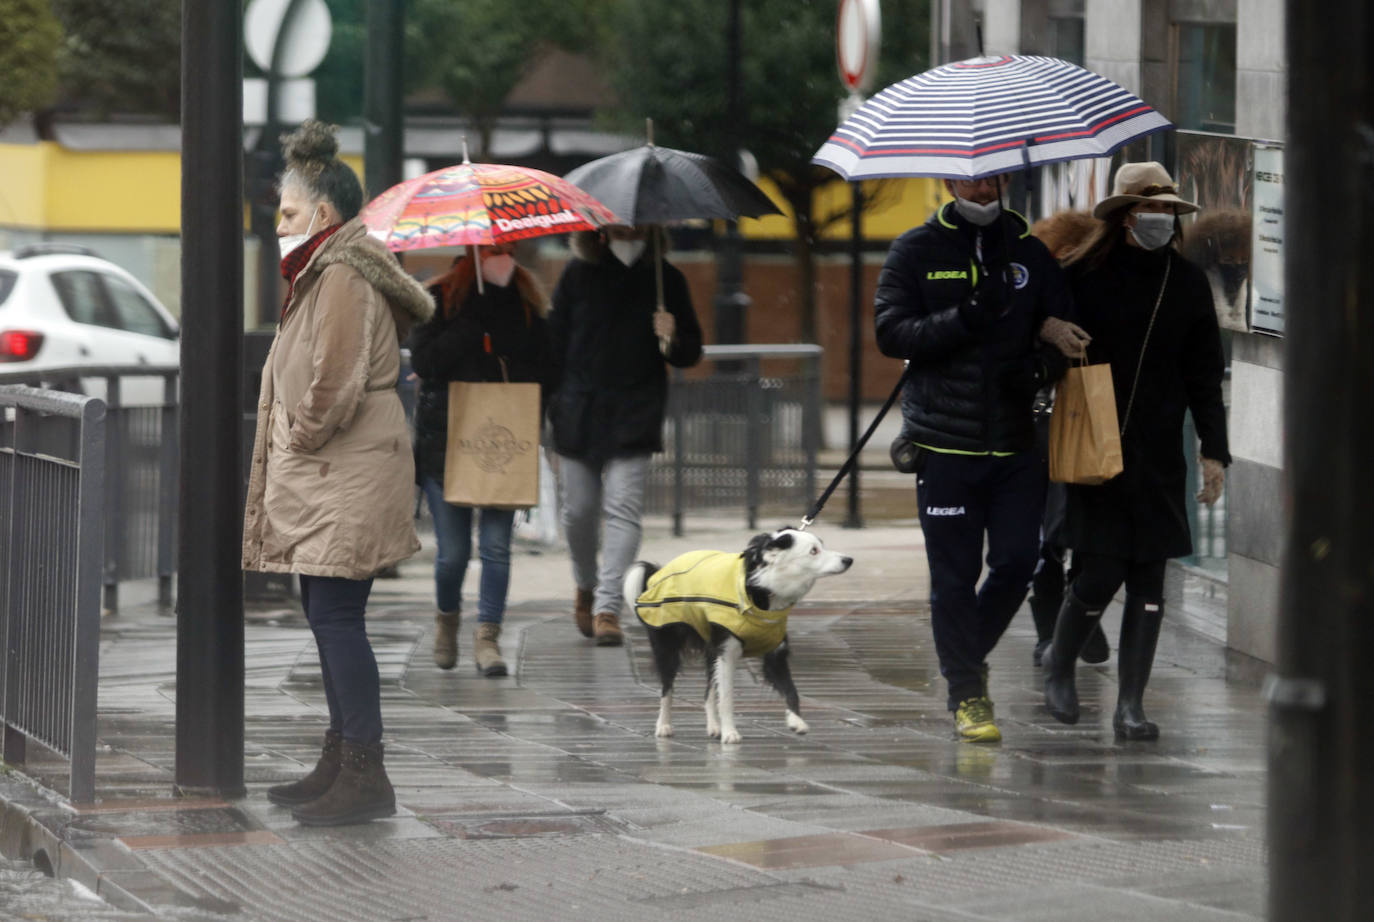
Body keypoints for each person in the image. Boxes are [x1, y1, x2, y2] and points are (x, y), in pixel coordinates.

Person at [244, 120, 432, 825]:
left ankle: (364, 771)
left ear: (322, 214)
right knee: (327, 616)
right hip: (336, 470)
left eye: (289, 212)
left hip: (343, 467)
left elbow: (336, 377)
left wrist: (299, 432)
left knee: (338, 618)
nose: (281, 224)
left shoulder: (344, 273)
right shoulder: (326, 270)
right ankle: (341, 758)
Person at [875, 173, 1073, 743]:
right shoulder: (916, 249)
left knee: (1018, 561)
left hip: (1016, 443)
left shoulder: (1031, 254)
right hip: (944, 445)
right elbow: (892, 332)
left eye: (991, 181)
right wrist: (967, 316)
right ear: (949, 181)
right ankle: (968, 694)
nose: (982, 191)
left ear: (1005, 181)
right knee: (954, 579)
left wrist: (1036, 369)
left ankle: (962, 658)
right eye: (970, 181)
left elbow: (1061, 337)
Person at [1042, 162, 1229, 740]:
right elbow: (1035, 343)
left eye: (1170, 212)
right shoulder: (1079, 275)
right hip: (1095, 441)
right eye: (1152, 211)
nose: (1162, 221)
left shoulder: (1188, 283)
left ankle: (1131, 706)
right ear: (1124, 217)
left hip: (1156, 448)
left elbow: (1204, 375)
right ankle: (1059, 665)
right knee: (1098, 571)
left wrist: (1214, 451)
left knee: (1149, 578)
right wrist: (1051, 333)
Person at [547, 224, 703, 645]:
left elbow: (691, 350)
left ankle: (607, 607)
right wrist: (548, 406)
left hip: (635, 411)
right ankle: (586, 582)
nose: (626, 227)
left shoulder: (666, 279)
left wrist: (672, 336)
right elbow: (554, 344)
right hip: (578, 412)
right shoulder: (577, 274)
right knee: (578, 510)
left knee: (623, 509)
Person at [408, 244, 552, 676]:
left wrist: (505, 327)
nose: (501, 257)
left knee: (495, 547)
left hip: (502, 445)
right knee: (452, 553)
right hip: (445, 444)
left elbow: (547, 365)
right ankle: (447, 620)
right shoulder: (437, 298)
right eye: (491, 251)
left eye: (506, 250)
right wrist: (471, 325)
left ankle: (488, 636)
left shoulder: (526, 302)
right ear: (471, 252)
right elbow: (425, 361)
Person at [1025, 210, 1109, 668]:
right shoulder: (1033, 295)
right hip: (1039, 422)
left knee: (1079, 529)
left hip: (1087, 417)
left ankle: (1078, 621)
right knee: (1048, 536)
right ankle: (1051, 633)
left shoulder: (1098, 293)